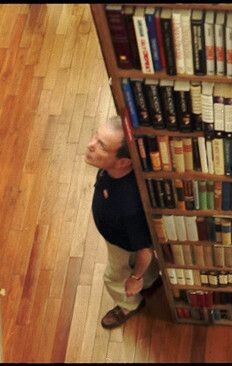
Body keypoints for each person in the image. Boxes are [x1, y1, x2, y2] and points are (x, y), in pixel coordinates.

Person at [85, 116, 160, 329]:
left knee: (113, 276)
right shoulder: (113, 170)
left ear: (123, 161)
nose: (90, 145)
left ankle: (129, 304)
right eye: (95, 137)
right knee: (145, 267)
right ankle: (151, 280)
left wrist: (134, 278)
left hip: (122, 246)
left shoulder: (129, 206)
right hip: (122, 238)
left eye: (101, 145)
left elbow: (145, 251)